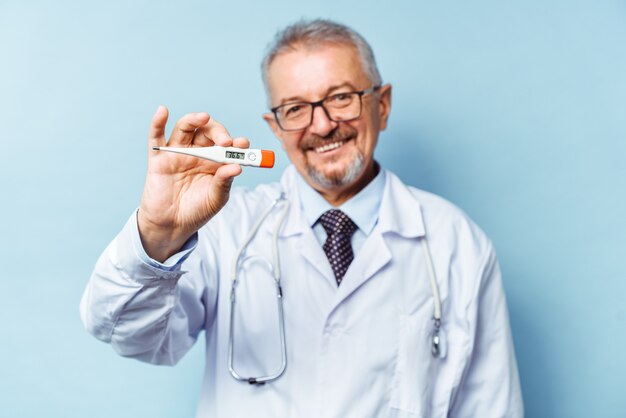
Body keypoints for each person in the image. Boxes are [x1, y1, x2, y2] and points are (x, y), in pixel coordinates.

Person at [80, 19, 523, 418]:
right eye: (295, 108)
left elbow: (491, 407)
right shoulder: (228, 229)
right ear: (274, 127)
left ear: (382, 105)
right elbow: (128, 335)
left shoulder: (455, 242)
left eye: (342, 98)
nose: (323, 125)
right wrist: (158, 235)